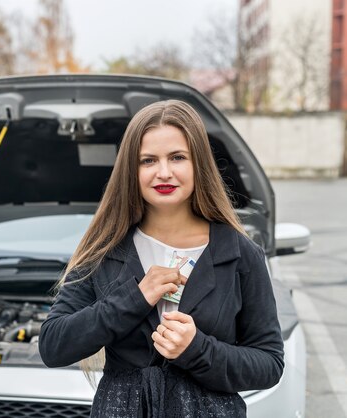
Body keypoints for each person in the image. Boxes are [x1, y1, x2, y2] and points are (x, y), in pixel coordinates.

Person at [38, 100, 284, 417]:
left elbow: (269, 364)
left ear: (199, 164)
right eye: (148, 160)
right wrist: (135, 297)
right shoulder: (104, 249)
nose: (163, 172)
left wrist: (198, 349)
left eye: (177, 157)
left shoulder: (239, 253)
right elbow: (55, 346)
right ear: (131, 170)